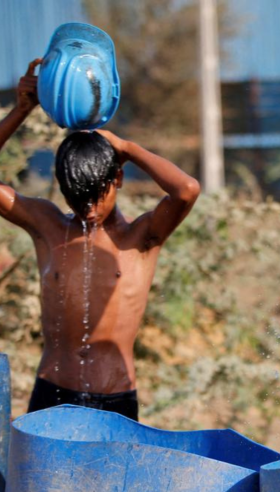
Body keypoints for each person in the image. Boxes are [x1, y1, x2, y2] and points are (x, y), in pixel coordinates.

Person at [0, 60, 201, 420]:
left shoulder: (143, 238)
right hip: (52, 393)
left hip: (116, 398)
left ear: (119, 179)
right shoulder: (47, 226)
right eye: (76, 200)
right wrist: (22, 110)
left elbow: (186, 189)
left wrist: (127, 146)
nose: (88, 209)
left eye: (97, 196)